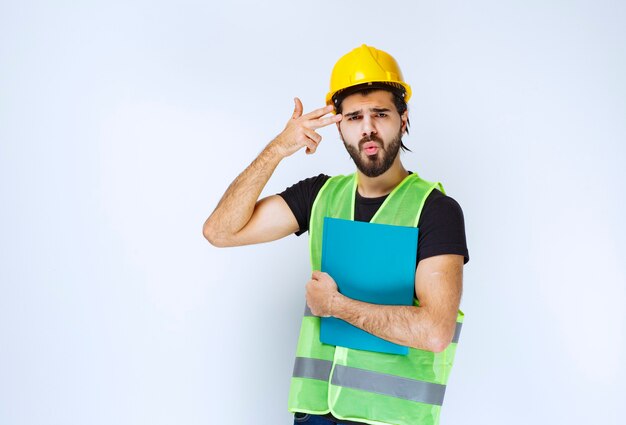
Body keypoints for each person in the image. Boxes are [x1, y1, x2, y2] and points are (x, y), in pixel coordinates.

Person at [203, 44, 469, 425]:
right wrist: (278, 149)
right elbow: (219, 231)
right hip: (315, 414)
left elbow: (435, 332)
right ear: (339, 124)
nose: (368, 128)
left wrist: (336, 306)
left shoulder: (436, 210)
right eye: (354, 117)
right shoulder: (320, 196)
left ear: (404, 118)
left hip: (391, 419)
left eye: (381, 113)